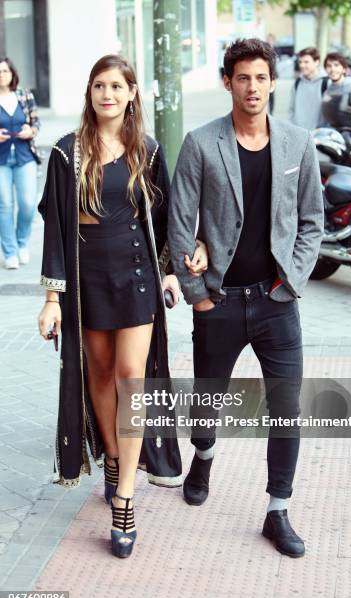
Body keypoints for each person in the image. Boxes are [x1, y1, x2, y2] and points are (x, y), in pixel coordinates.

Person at [37, 54, 206, 559]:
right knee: (102, 374)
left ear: (133, 93)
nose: (107, 94)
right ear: (89, 94)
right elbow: (54, 229)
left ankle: (125, 496)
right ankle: (112, 457)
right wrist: (52, 298)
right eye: (98, 86)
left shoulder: (147, 150)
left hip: (135, 277)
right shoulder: (66, 153)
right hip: (87, 281)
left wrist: (172, 269)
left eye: (116, 85)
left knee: (132, 376)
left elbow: (166, 214)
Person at [168, 38, 324, 558]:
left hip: (278, 301)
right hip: (221, 301)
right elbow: (178, 223)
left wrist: (291, 282)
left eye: (261, 77)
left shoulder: (298, 143)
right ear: (228, 82)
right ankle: (204, 454)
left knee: (286, 408)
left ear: (272, 82)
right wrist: (198, 296)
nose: (252, 86)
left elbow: (311, 223)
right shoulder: (200, 142)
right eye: (242, 77)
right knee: (208, 399)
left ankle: (278, 509)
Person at [0, 56, 41, 269]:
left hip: (25, 156)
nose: (2, 75)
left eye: (5, 71)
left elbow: (36, 122)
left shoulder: (24, 95)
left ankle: (22, 242)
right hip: (1, 160)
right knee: (4, 204)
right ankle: (10, 252)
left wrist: (30, 131)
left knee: (27, 203)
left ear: (12, 73)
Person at [288, 47, 328, 129]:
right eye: (300, 62)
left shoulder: (326, 83)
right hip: (299, 135)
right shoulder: (297, 83)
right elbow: (291, 109)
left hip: (318, 136)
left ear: (316, 62)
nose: (302, 65)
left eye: (306, 62)